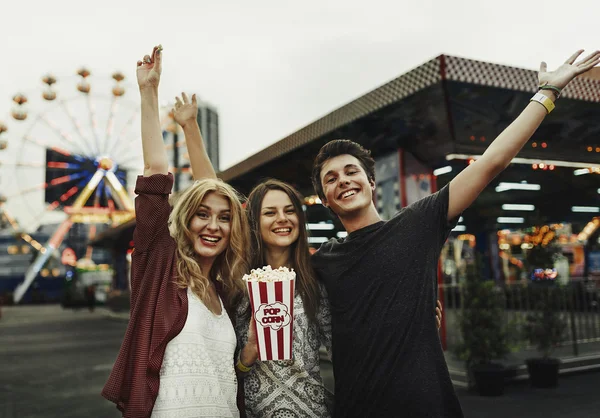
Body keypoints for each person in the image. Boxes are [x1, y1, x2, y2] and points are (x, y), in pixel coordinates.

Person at [309, 50, 600, 417]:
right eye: (331, 179)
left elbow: (491, 162)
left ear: (370, 181)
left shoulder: (417, 224)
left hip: (427, 406)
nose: (343, 182)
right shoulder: (325, 260)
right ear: (324, 201)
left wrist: (546, 94)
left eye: (351, 172)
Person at [172, 94, 443, 417]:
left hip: (311, 409)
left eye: (289, 211)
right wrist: (190, 128)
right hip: (258, 411)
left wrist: (411, 322)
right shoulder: (239, 274)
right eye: (270, 212)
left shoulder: (318, 273)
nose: (282, 219)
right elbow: (213, 193)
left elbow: (359, 320)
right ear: (254, 223)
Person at [102, 46, 250, 418]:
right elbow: (154, 170)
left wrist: (190, 126)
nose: (213, 225)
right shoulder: (160, 267)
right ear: (185, 221)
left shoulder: (222, 289)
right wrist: (149, 92)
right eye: (202, 215)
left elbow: (214, 193)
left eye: (223, 219)